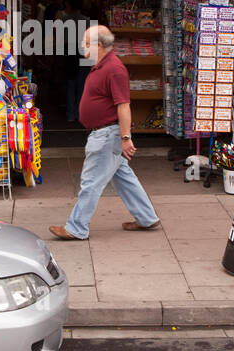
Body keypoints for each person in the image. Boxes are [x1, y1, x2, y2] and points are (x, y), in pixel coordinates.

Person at [50, 25, 161, 240]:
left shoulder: (114, 69)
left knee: (90, 182)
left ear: (98, 45)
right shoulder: (101, 65)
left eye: (85, 42)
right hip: (106, 134)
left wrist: (126, 137)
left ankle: (76, 228)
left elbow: (124, 105)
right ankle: (147, 217)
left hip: (106, 135)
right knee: (124, 178)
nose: (82, 46)